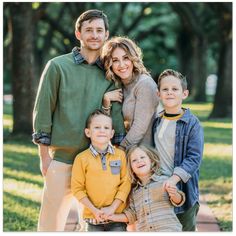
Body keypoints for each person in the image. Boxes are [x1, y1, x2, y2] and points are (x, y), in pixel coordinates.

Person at [32, 9, 125, 231]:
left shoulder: (110, 73)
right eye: (89, 30)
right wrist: (44, 157)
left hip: (98, 160)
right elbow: (43, 111)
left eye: (99, 30)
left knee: (93, 224)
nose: (94, 35)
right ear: (78, 33)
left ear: (106, 35)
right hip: (62, 158)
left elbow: (116, 118)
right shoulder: (57, 66)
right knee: (50, 223)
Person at [152, 69, 204, 231]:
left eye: (175, 89)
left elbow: (194, 158)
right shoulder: (156, 121)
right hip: (159, 186)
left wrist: (174, 179)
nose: (169, 93)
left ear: (184, 93)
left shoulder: (192, 124)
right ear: (158, 94)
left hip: (182, 188)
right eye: (165, 89)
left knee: (184, 229)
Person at [71, 109, 131, 231]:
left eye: (106, 127)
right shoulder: (81, 158)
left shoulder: (120, 155)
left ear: (112, 133)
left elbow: (126, 183)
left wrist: (112, 209)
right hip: (92, 217)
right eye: (97, 127)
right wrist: (94, 210)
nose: (102, 130)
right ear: (88, 132)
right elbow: (77, 188)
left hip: (116, 217)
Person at [106, 144, 185, 231]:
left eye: (142, 157)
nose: (139, 161)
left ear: (151, 160)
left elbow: (179, 200)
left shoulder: (163, 180)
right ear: (131, 168)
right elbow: (132, 215)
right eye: (134, 160)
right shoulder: (133, 192)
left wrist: (174, 194)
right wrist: (111, 216)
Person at [100, 36, 159, 151]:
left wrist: (121, 150)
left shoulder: (144, 84)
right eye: (115, 60)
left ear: (133, 58)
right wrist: (106, 102)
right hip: (130, 152)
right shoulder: (119, 85)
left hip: (145, 154)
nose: (121, 65)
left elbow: (140, 127)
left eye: (125, 58)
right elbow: (107, 122)